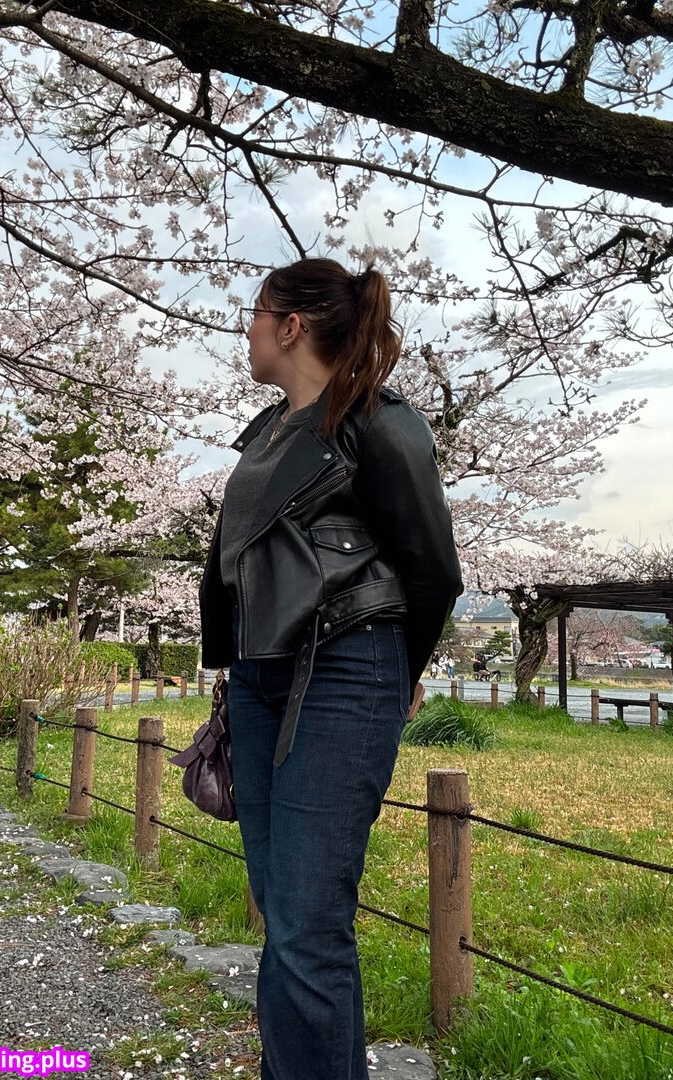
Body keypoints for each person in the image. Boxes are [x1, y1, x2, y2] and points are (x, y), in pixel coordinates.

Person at [199, 257, 463, 1080]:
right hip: (259, 679)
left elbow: (433, 569)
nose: (245, 330)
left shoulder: (379, 422)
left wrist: (401, 671)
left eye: (255, 314)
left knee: (309, 921)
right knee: (287, 915)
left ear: (291, 326)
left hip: (348, 667)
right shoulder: (268, 430)